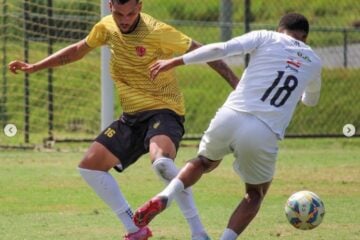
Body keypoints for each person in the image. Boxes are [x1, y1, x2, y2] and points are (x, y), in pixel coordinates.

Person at [8, 0, 238, 239]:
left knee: (161, 164)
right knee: (90, 167)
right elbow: (78, 49)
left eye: (130, 13)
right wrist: (36, 66)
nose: (125, 19)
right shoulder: (106, 27)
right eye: (119, 14)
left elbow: (202, 51)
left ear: (139, 6)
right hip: (131, 117)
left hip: (164, 110)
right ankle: (135, 228)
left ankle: (198, 233)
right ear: (110, 7)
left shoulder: (158, 31)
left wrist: (235, 83)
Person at [133, 13, 322, 240]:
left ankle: (166, 194)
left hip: (230, 115)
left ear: (279, 29)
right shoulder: (314, 61)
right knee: (255, 193)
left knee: (203, 162)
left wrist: (175, 61)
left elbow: (220, 49)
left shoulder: (266, 36)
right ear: (306, 38)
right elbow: (310, 101)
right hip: (263, 131)